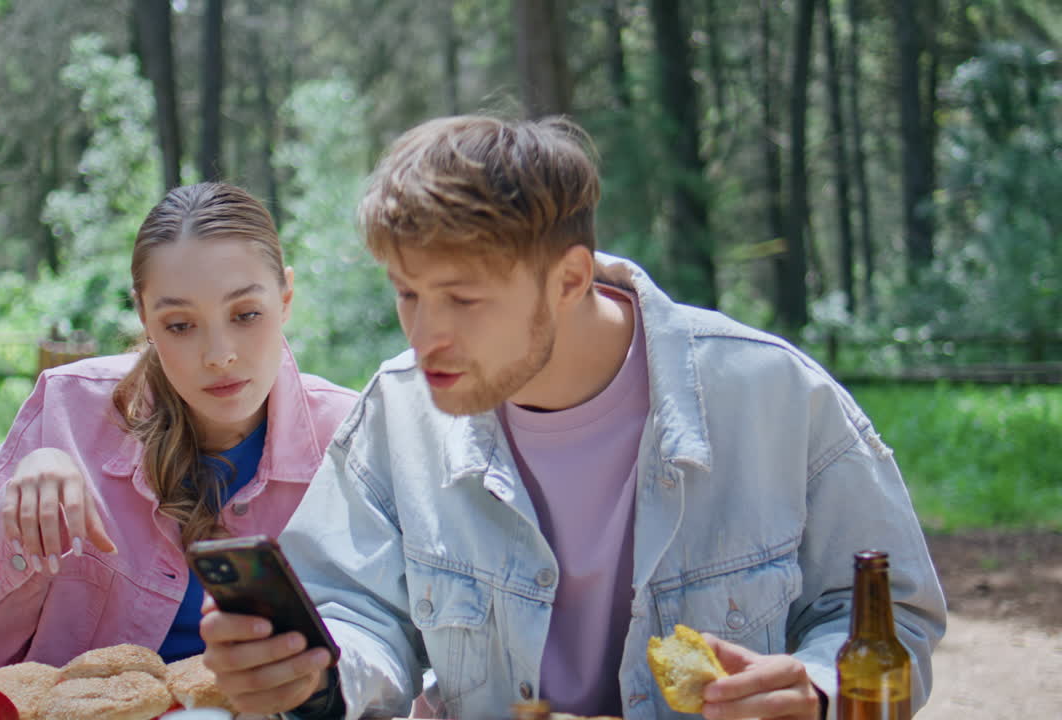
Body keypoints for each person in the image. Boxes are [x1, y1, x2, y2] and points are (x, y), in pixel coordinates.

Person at [198, 116, 946, 720]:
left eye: (462, 299)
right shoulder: (398, 411)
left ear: (569, 279)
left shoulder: (773, 394)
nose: (425, 335)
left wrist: (814, 689)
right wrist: (309, 673)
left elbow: (893, 619)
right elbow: (357, 615)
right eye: (407, 294)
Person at [0, 182, 357, 679]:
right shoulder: (67, 409)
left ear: (285, 298)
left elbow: (385, 647)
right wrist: (19, 513)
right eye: (180, 325)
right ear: (144, 316)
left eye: (246, 314)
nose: (219, 355)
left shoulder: (347, 442)